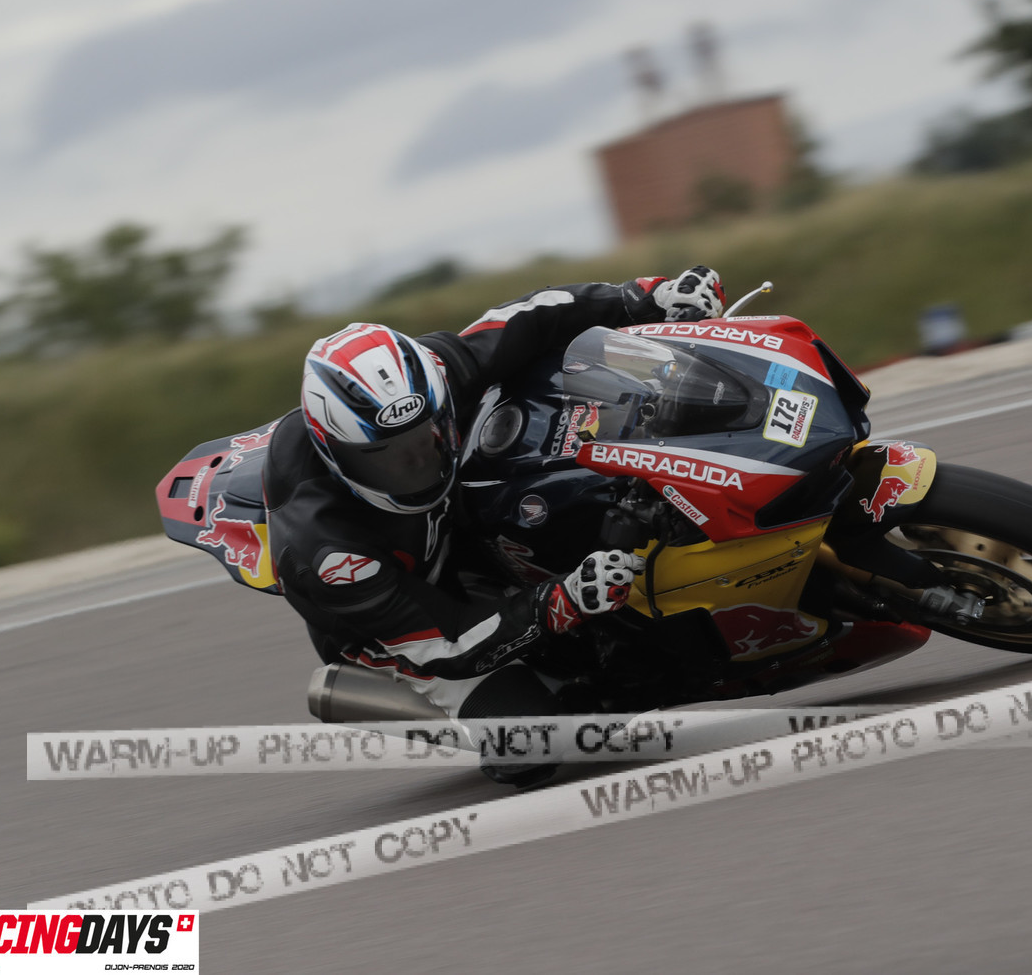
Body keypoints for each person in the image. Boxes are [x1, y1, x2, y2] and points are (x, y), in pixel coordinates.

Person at [263, 268, 726, 782]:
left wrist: (644, 297)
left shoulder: (430, 377)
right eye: (387, 458)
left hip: (455, 527)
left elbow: (525, 319)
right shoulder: (325, 553)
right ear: (334, 453)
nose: (417, 464)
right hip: (407, 619)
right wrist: (561, 601)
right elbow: (448, 644)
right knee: (532, 745)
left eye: (425, 437)